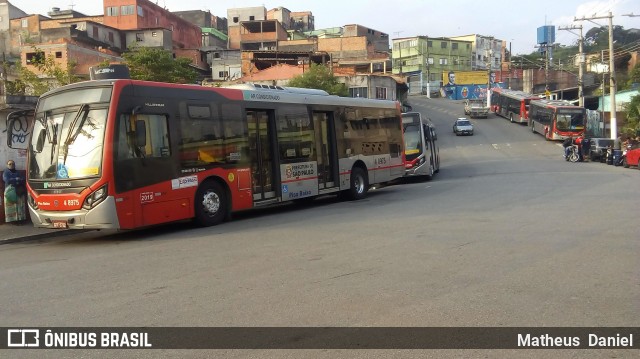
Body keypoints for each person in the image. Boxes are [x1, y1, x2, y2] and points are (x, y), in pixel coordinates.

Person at [3, 160, 27, 224]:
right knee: (12, 207)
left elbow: (23, 179)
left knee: (19, 205)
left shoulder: (18, 172)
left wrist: (14, 180)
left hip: (19, 190)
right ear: (7, 165)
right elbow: (7, 180)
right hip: (10, 192)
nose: (11, 165)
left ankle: (20, 219)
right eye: (10, 164)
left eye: (13, 164)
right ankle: (13, 221)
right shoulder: (6, 172)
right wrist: (17, 179)